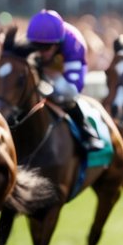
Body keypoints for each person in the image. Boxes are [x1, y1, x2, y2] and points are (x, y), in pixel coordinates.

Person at [25, 9, 103, 152]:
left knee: (65, 97)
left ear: (57, 44)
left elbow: (72, 91)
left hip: (66, 72)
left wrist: (53, 76)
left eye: (46, 48)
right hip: (52, 65)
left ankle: (87, 131)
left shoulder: (73, 44)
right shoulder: (33, 40)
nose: (40, 52)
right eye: (36, 46)